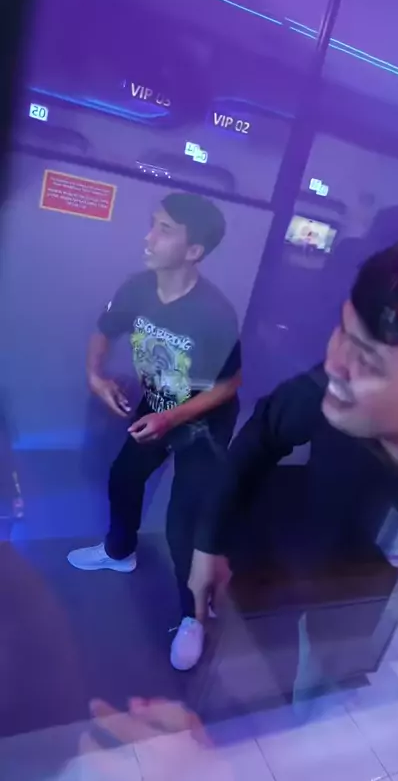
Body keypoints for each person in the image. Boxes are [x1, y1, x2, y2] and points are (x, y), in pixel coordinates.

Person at [188, 237, 398, 627]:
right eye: (342, 331)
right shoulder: (326, 394)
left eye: (368, 361)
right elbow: (264, 432)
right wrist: (208, 544)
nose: (334, 364)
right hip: (306, 577)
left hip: (373, 609)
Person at [67, 192, 241, 672]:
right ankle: (119, 551)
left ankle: (193, 617)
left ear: (194, 251)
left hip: (203, 422)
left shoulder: (215, 312)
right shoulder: (137, 287)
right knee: (124, 477)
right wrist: (95, 375)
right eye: (153, 224)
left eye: (164, 230)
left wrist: (170, 420)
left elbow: (229, 384)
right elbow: (105, 329)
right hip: (159, 403)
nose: (148, 237)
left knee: (183, 521)